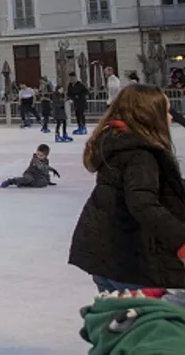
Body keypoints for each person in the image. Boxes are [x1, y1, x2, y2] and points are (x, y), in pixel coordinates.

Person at [68, 84, 185, 292]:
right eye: (166, 111)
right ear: (150, 115)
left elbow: (144, 189)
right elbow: (143, 203)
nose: (171, 118)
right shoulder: (140, 153)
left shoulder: (118, 143)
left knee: (117, 322)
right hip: (132, 264)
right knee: (146, 323)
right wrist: (181, 241)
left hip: (107, 258)